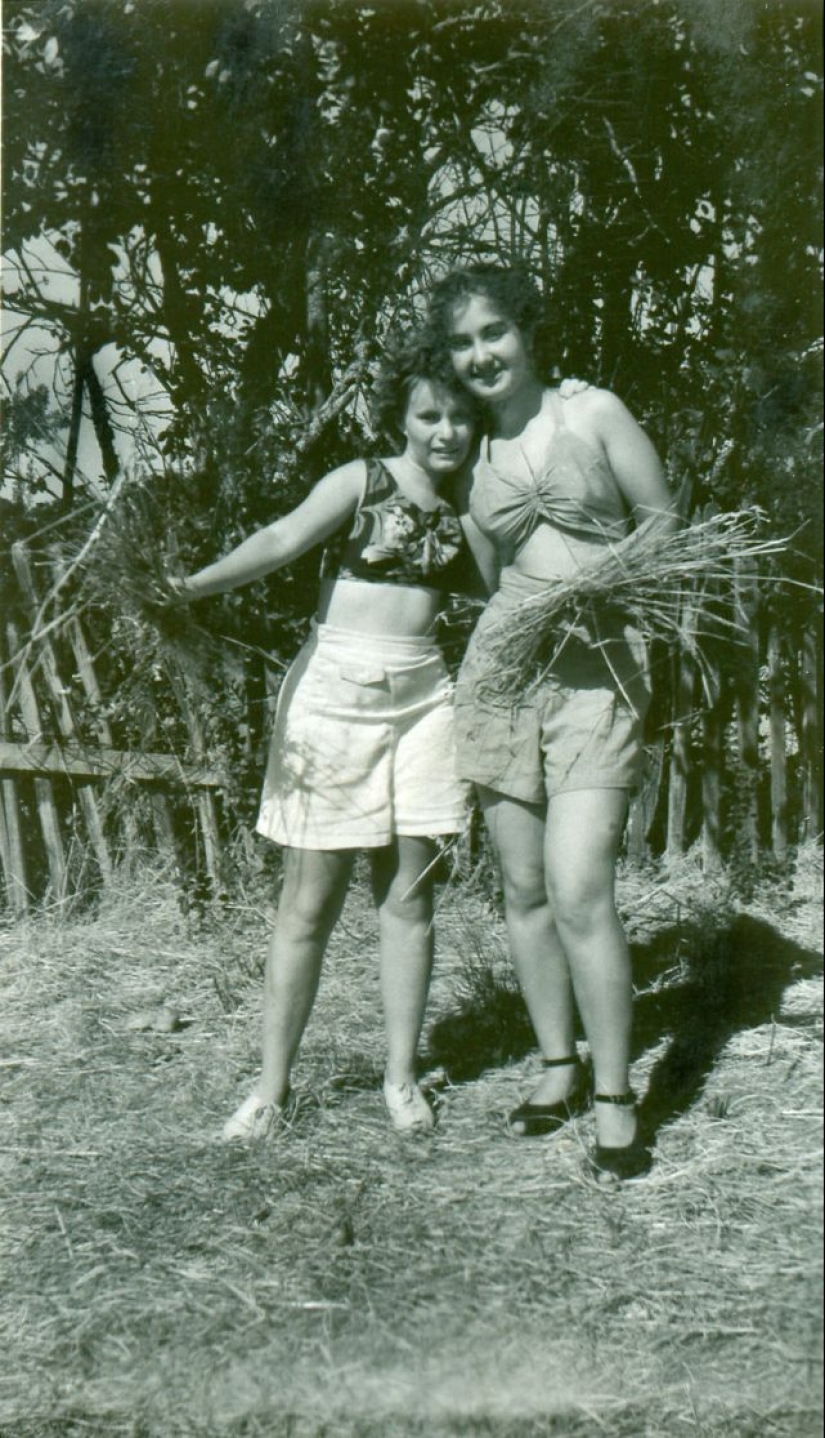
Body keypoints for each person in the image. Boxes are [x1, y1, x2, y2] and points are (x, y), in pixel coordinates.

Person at [169, 336, 497, 1140]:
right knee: (307, 905)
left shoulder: (476, 504)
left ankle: (401, 1079)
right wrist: (191, 587)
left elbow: (500, 594)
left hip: (425, 700)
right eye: (429, 415)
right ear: (403, 418)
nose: (445, 432)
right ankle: (271, 1091)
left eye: (459, 416)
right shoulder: (362, 481)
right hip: (333, 698)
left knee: (410, 899)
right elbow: (282, 540)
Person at [425, 264, 677, 1179]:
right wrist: (527, 623)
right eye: (461, 343)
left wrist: (601, 586)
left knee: (579, 887)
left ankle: (615, 1095)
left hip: (599, 672)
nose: (480, 355)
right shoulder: (474, 459)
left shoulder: (591, 413)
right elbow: (495, 584)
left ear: (527, 332)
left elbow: (660, 523)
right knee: (523, 891)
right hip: (502, 678)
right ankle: (556, 1065)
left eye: (494, 332)